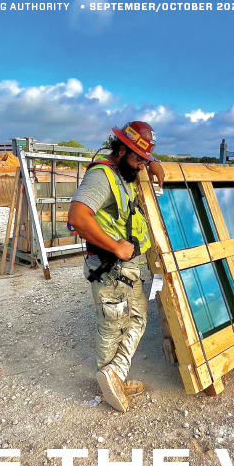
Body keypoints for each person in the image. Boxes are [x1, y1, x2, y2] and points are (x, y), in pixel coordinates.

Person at [67, 121, 165, 413]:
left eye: (143, 161)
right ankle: (107, 385)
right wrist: (114, 246)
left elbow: (139, 163)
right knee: (111, 325)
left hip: (127, 268)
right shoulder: (102, 177)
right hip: (109, 266)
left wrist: (154, 162)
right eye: (138, 160)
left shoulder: (125, 168)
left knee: (138, 318)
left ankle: (116, 376)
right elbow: (76, 217)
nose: (140, 168)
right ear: (121, 150)